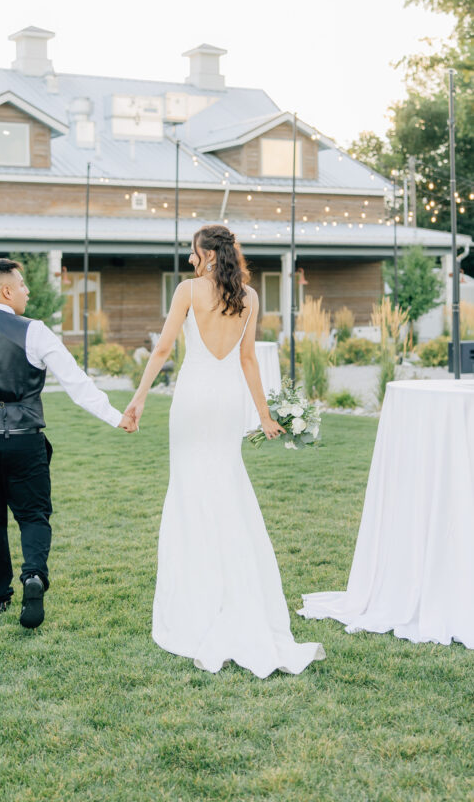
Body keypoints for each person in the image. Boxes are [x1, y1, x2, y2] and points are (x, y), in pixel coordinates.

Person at [124, 225, 325, 677]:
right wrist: (264, 415)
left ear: (210, 255)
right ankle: (232, 590)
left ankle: (199, 602)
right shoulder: (249, 297)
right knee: (226, 490)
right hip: (227, 402)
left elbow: (161, 350)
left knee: (191, 493)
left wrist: (137, 400)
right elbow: (248, 360)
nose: (191, 259)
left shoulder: (188, 291)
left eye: (195, 252)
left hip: (194, 400)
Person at [0, 257, 136, 628]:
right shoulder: (35, 331)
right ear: (7, 290)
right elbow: (76, 382)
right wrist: (115, 416)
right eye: (24, 286)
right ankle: (33, 576)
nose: (28, 292)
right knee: (33, 514)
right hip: (23, 440)